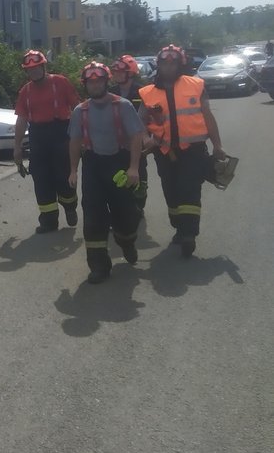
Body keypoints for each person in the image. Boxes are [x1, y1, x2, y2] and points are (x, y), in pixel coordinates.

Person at [138, 44, 225, 258]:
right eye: (165, 63)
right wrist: (146, 139)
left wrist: (218, 145)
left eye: (173, 62)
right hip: (164, 152)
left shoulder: (196, 85)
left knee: (189, 189)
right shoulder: (147, 92)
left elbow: (207, 116)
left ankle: (189, 234)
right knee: (171, 192)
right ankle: (179, 226)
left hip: (193, 150)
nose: (169, 67)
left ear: (180, 64)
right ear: (158, 65)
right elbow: (140, 122)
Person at [68, 62, 144, 284]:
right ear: (85, 85)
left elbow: (137, 136)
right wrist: (73, 170)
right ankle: (99, 266)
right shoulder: (79, 111)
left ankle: (127, 241)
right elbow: (74, 141)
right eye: (90, 83)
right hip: (93, 165)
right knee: (93, 216)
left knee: (126, 214)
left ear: (106, 82)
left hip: (119, 163)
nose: (95, 86)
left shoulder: (124, 106)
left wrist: (133, 167)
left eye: (99, 81)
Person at [13, 49, 80, 233]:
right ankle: (49, 221)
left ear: (43, 66)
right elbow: (21, 120)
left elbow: (78, 109)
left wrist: (81, 137)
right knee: (41, 179)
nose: (33, 72)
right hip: (38, 136)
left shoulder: (61, 82)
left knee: (63, 176)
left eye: (36, 68)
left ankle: (70, 206)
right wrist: (17, 147)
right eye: (29, 69)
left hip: (61, 133)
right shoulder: (25, 91)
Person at [109, 54, 149, 214]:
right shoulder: (110, 92)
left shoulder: (142, 92)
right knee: (118, 176)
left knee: (139, 174)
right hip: (116, 143)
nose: (117, 74)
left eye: (121, 71)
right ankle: (124, 209)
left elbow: (149, 118)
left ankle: (138, 204)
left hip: (138, 142)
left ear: (131, 73)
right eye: (115, 71)